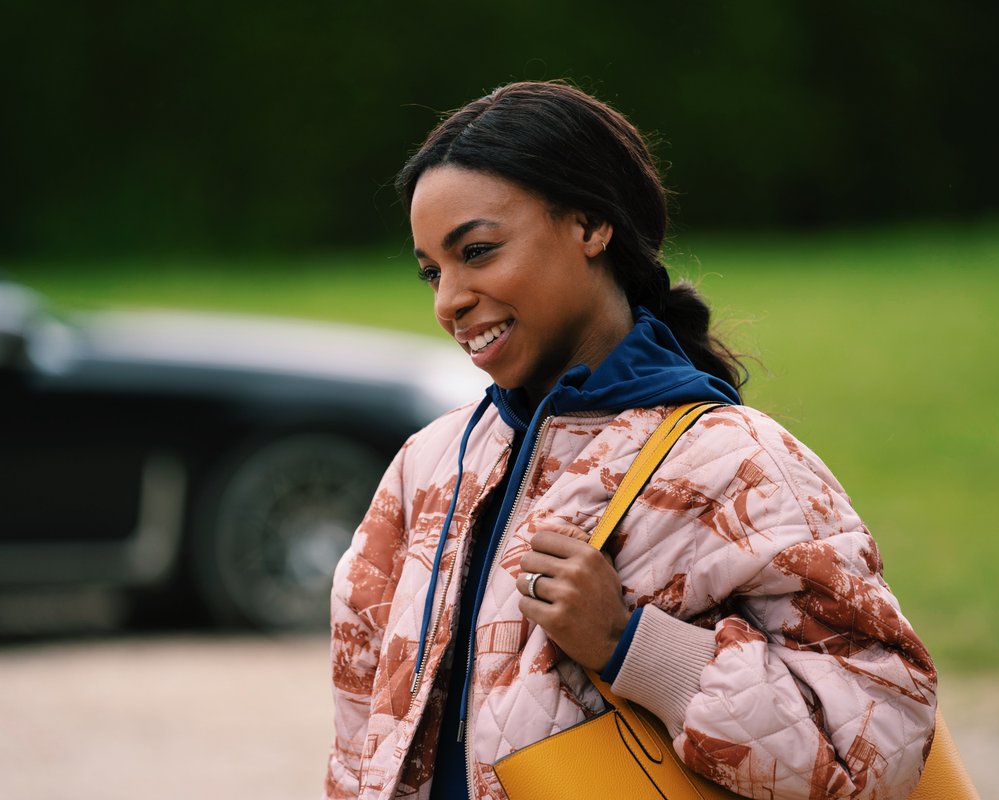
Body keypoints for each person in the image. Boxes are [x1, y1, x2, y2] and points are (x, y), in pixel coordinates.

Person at [326, 81, 936, 800]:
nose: (447, 300)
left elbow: (876, 752)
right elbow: (360, 737)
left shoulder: (738, 465)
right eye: (432, 270)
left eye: (479, 251)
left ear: (590, 225)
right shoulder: (426, 470)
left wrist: (631, 645)